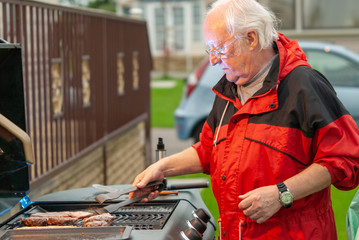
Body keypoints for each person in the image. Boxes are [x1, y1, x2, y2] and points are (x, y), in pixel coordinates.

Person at [130, 0, 359, 239]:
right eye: (210, 51)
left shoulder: (304, 86)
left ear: (251, 39)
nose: (213, 61)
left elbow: (345, 159)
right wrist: (161, 167)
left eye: (219, 49)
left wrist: (282, 193)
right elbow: (209, 150)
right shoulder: (230, 91)